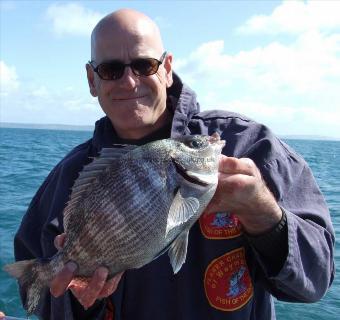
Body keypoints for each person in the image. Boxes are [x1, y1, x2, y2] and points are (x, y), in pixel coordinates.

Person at [14, 8, 335, 320]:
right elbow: (41, 301)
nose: (129, 81)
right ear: (91, 79)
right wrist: (81, 298)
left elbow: (316, 281)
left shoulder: (250, 146)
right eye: (112, 69)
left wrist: (265, 215)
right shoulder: (67, 180)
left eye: (144, 65)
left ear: (167, 68)